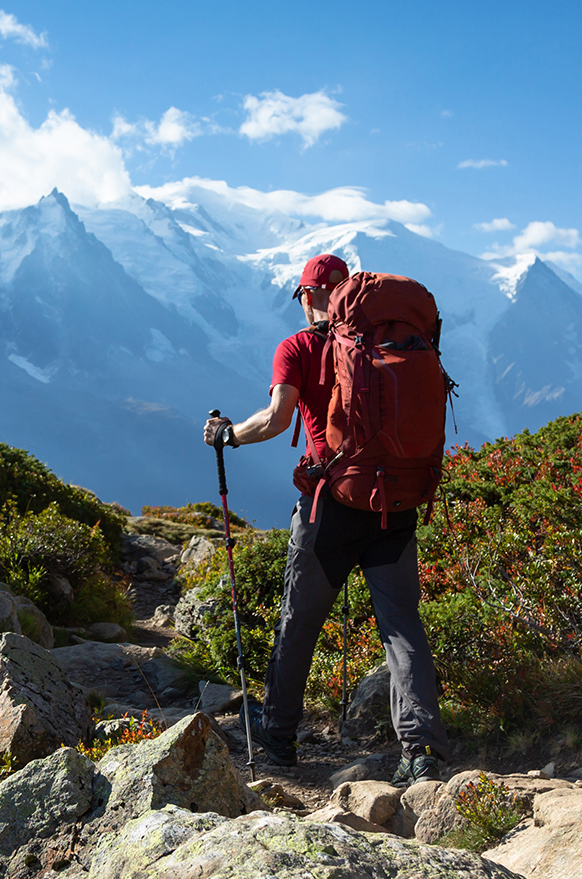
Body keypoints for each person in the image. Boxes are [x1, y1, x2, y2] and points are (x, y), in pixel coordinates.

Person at [203, 252, 452, 784]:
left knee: (298, 624)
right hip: (396, 504)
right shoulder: (393, 338)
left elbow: (276, 420)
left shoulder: (297, 346)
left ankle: (279, 740)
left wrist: (228, 434)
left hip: (331, 506)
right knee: (402, 627)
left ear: (309, 296)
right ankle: (421, 750)